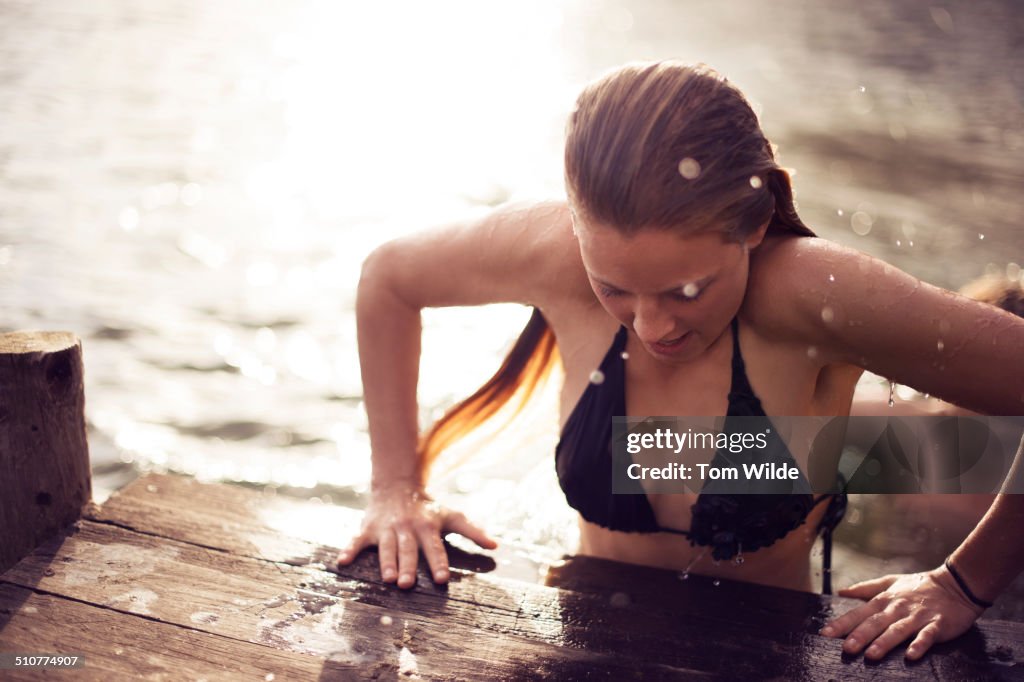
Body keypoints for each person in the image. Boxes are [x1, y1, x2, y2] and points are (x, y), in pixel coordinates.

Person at [337, 60, 1024, 662]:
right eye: (614, 289)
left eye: (686, 291)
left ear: (753, 228)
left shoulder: (817, 296)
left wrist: (964, 582)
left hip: (766, 657)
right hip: (578, 643)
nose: (652, 325)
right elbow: (387, 279)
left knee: (924, 454)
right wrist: (398, 487)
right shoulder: (550, 252)